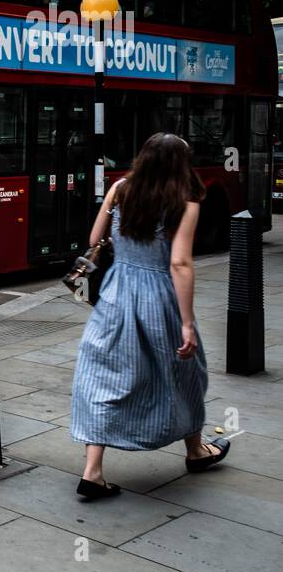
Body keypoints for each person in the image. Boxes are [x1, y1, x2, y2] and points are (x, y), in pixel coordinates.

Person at [70, 133, 229, 501]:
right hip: (158, 296)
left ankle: (92, 472)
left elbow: (95, 237)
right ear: (180, 165)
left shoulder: (120, 188)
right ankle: (195, 450)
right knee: (184, 369)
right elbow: (179, 263)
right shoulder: (185, 201)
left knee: (103, 375)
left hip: (115, 293)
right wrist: (187, 322)